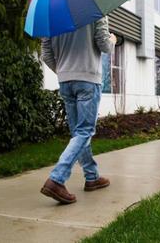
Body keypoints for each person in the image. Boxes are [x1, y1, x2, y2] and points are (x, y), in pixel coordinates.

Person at [40, 17, 116, 204]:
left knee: (78, 133)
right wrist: (113, 40)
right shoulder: (96, 11)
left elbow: (46, 54)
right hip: (88, 79)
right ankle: (57, 178)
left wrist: (64, 71)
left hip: (65, 81)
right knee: (84, 131)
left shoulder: (53, 15)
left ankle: (92, 176)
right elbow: (104, 45)